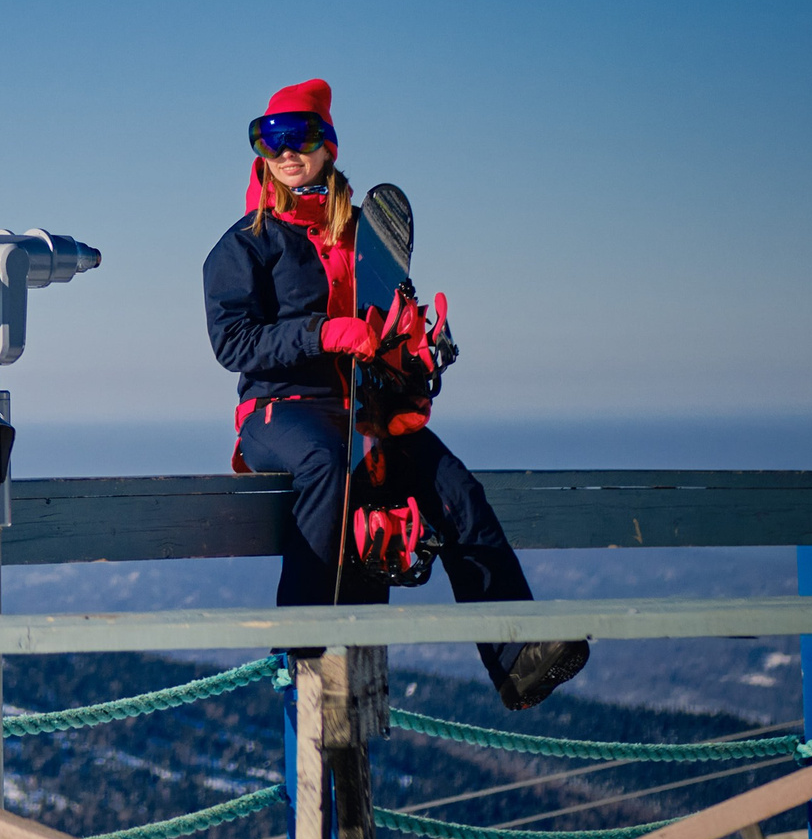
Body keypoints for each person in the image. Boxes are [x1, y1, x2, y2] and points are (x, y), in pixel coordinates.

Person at [203, 78, 589, 711]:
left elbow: (383, 327)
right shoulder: (246, 245)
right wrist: (323, 332)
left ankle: (516, 655)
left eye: (298, 136)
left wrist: (413, 351)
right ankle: (301, 638)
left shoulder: (364, 239)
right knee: (326, 463)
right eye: (269, 138)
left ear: (327, 144)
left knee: (454, 484)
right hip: (279, 411)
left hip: (364, 409)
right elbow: (234, 345)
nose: (285, 150)